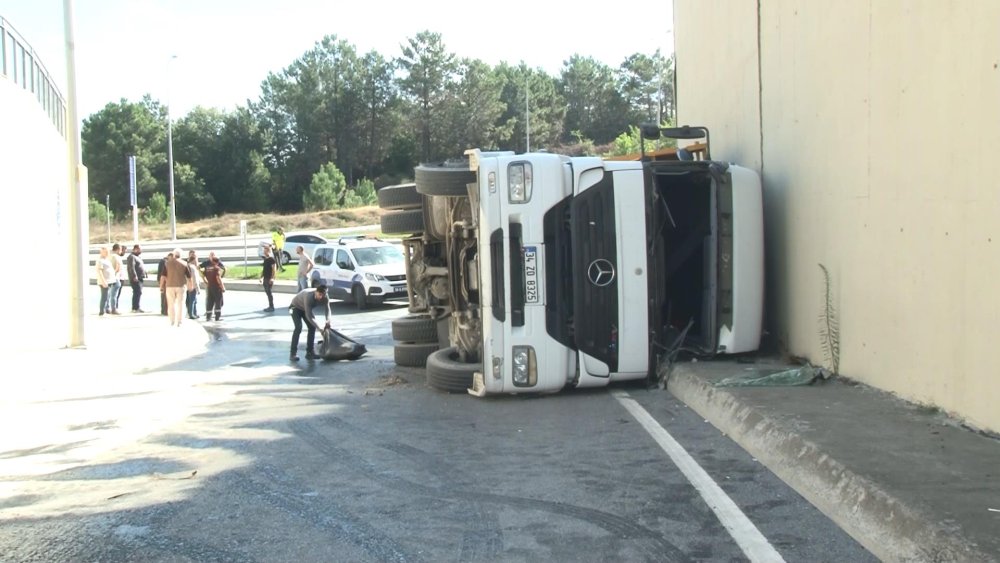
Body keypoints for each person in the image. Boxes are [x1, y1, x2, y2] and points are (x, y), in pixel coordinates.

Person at [288, 284, 331, 361]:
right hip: (294, 308)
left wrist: (328, 320)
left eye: (323, 295)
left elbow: (327, 309)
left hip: (304, 309)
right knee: (298, 328)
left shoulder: (325, 296)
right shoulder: (308, 296)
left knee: (312, 327)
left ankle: (310, 353)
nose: (321, 297)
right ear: (316, 292)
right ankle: (293, 353)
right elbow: (309, 316)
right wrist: (320, 329)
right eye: (319, 295)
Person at [160, 248, 190, 326]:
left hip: (169, 286)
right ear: (181, 255)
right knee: (181, 304)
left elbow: (163, 276)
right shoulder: (184, 263)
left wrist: (161, 286)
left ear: (173, 255)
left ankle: (172, 320)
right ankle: (180, 321)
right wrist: (191, 285)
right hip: (181, 286)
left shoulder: (167, 263)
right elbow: (189, 277)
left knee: (171, 304)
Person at [202, 253, 226, 321]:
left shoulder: (207, 268)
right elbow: (218, 278)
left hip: (210, 286)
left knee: (210, 301)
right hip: (216, 287)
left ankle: (208, 316)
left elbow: (203, 275)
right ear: (217, 262)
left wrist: (206, 282)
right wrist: (222, 287)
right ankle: (217, 317)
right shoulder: (216, 268)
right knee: (218, 301)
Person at [95, 247, 116, 316]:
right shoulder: (100, 260)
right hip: (104, 281)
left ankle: (106, 309)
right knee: (104, 297)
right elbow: (100, 271)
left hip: (109, 281)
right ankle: (102, 311)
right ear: (101, 252)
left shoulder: (107, 260)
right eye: (105, 252)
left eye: (107, 252)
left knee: (107, 296)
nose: (107, 253)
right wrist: (103, 281)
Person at [126, 244, 147, 313]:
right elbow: (131, 267)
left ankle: (137, 307)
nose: (140, 251)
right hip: (135, 278)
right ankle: (135, 308)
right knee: (137, 292)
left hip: (140, 277)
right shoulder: (131, 257)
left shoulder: (138, 257)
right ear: (135, 249)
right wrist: (134, 276)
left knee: (139, 292)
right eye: (139, 249)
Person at [185, 250, 204, 320]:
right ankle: (191, 314)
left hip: (187, 286)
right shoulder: (192, 267)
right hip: (192, 286)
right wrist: (198, 288)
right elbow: (195, 279)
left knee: (192, 300)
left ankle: (193, 313)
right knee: (192, 301)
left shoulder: (187, 266)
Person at [111, 243, 127, 313]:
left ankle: (112, 308)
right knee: (115, 294)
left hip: (116, 277)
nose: (121, 251)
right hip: (117, 278)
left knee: (113, 294)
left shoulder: (112, 256)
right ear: (117, 250)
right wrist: (116, 273)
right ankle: (114, 308)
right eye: (120, 249)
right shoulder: (116, 257)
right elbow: (117, 267)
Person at [260, 244, 277, 312]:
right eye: (264, 250)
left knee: (269, 293)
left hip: (269, 278)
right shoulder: (265, 259)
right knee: (267, 292)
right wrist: (261, 277)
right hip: (265, 278)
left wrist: (272, 278)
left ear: (268, 251)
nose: (264, 251)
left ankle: (271, 306)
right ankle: (270, 306)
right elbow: (264, 269)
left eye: (265, 250)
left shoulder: (271, 259)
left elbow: (274, 269)